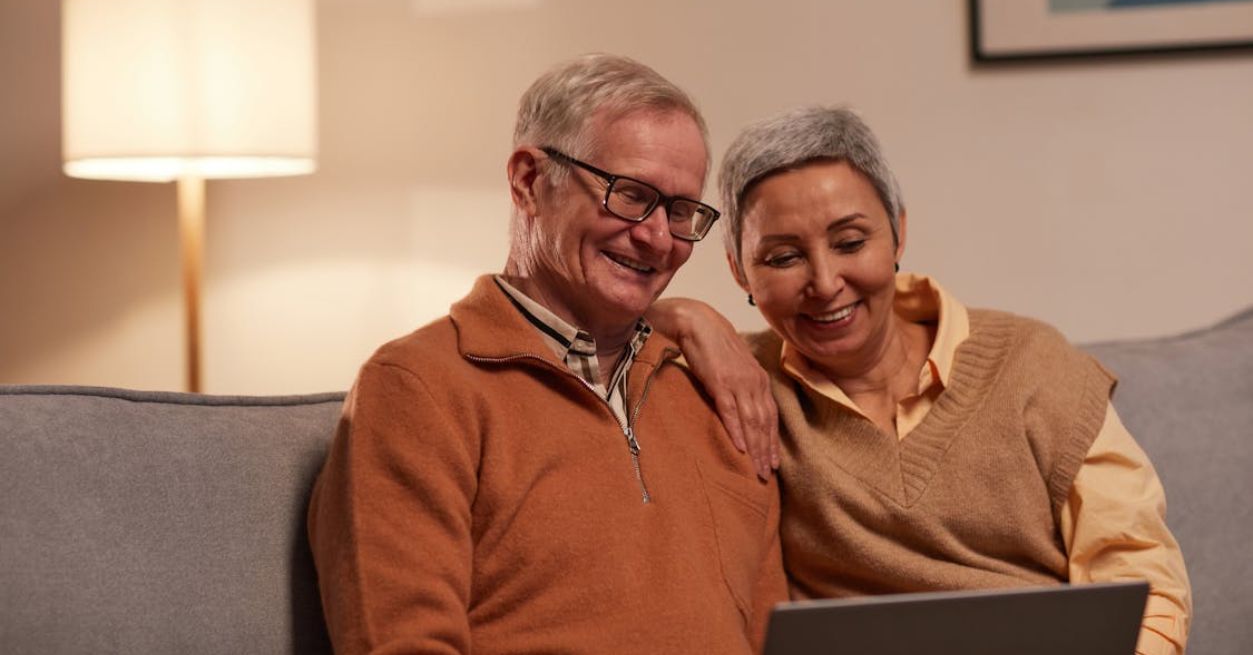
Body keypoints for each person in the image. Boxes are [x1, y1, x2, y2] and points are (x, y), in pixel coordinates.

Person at [652, 106, 1192, 655]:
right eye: (784, 257)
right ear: (739, 271)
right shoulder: (739, 386)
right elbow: (580, 338)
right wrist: (679, 316)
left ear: (898, 232)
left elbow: (1141, 579)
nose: (825, 282)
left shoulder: (1035, 363)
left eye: (850, 242)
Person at [306, 54, 787, 655]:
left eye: (681, 211)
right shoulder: (416, 388)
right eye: (630, 195)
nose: (659, 238)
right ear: (529, 181)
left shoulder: (721, 394)